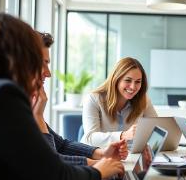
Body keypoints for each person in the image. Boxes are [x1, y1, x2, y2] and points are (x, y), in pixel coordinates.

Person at [0, 13, 124, 180]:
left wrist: (99, 155)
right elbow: (55, 176)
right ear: (18, 57)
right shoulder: (4, 96)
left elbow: (59, 145)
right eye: (39, 61)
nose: (48, 72)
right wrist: (99, 171)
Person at [32, 31, 128, 165]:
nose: (48, 73)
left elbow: (62, 146)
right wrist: (99, 164)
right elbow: (51, 164)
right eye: (43, 63)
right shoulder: (13, 110)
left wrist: (102, 153)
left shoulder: (29, 105)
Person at [81, 57, 157, 147]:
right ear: (116, 79)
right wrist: (123, 135)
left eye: (138, 82)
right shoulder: (93, 99)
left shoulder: (143, 100)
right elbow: (90, 138)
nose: (133, 87)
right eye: (128, 80)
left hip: (128, 156)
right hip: (96, 156)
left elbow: (157, 130)